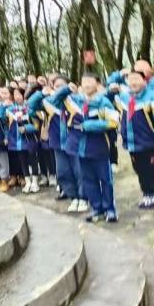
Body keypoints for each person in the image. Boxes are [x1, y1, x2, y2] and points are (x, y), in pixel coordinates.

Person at [107, 70, 154, 210]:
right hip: (132, 143)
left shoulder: (151, 97)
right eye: (130, 79)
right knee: (140, 170)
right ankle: (147, 194)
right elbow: (110, 85)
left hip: (149, 142)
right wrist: (119, 74)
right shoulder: (125, 98)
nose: (133, 82)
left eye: (137, 79)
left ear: (144, 81)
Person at [58, 73, 120, 223]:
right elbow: (55, 100)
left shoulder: (103, 102)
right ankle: (96, 208)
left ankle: (109, 209)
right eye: (84, 82)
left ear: (97, 84)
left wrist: (89, 126)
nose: (87, 85)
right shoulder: (75, 101)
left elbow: (113, 122)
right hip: (80, 149)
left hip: (99, 148)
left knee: (105, 180)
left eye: (90, 82)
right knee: (88, 181)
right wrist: (66, 89)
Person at [45, 76, 87, 213]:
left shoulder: (78, 99)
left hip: (75, 141)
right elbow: (33, 104)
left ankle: (83, 198)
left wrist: (69, 90)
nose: (60, 89)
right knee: (63, 172)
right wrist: (41, 90)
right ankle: (73, 197)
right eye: (56, 86)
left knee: (79, 171)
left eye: (62, 85)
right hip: (58, 143)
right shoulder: (52, 102)